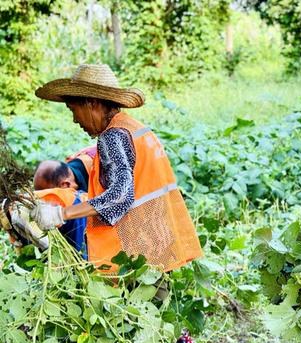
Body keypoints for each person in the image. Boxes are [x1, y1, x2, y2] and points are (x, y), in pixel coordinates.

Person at [31, 63, 202, 275]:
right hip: (158, 241)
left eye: (74, 110)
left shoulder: (112, 137)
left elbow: (121, 195)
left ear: (91, 103)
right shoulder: (135, 129)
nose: (75, 120)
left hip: (138, 253)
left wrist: (61, 213)